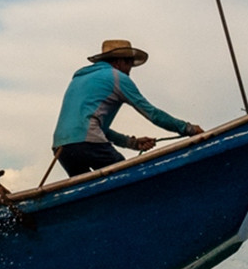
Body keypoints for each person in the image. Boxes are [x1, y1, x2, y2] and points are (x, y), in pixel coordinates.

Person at [52, 39, 203, 177]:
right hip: (87, 143)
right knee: (125, 174)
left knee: (88, 189)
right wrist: (187, 128)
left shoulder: (79, 79)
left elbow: (88, 129)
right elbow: (153, 114)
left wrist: (131, 143)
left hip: (61, 147)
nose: (130, 70)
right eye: (129, 63)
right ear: (119, 62)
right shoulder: (117, 77)